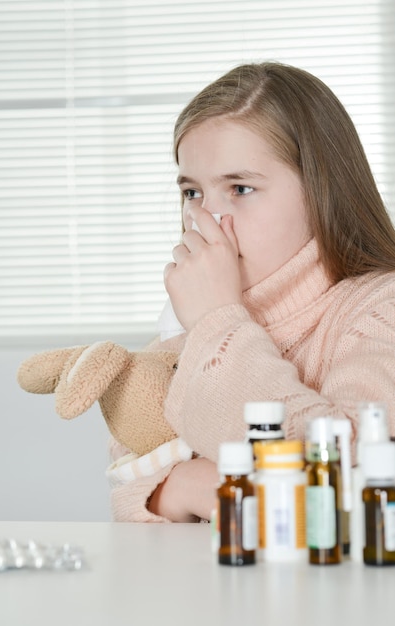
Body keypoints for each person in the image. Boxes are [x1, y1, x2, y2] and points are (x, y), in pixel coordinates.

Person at [107, 62, 395, 523]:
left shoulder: (380, 308)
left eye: (239, 188)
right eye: (192, 193)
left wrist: (217, 320)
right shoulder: (194, 319)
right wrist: (178, 487)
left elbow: (342, 467)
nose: (207, 220)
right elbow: (130, 474)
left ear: (322, 193)